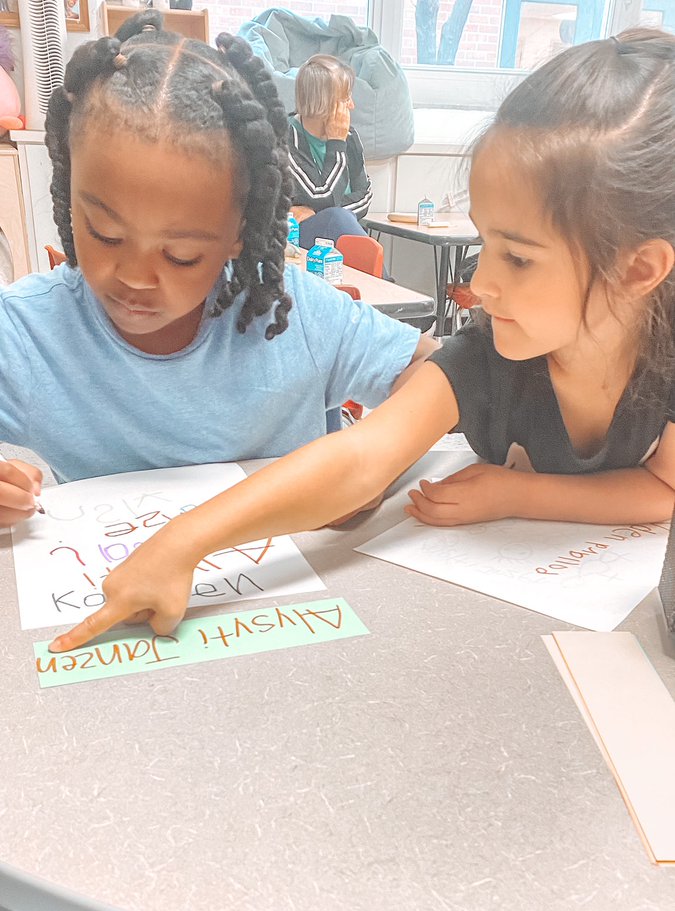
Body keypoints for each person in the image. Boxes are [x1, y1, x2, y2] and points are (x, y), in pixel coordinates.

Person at [52, 28, 675, 654]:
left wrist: (524, 493)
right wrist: (180, 543)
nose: (479, 283)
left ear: (637, 270)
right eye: (485, 243)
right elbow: (358, 458)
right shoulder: (488, 360)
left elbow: (664, 491)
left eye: (516, 258)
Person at [0, 13, 434, 524]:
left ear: (238, 234)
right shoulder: (29, 333)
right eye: (106, 235)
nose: (136, 278)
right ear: (68, 195)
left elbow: (437, 370)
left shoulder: (294, 316)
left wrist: (368, 458)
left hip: (290, 590)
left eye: (181, 255)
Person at [287, 54, 372, 250]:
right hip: (297, 242)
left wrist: (317, 212)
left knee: (337, 216)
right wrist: (336, 144)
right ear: (323, 103)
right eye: (345, 98)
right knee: (336, 217)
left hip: (339, 240)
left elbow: (364, 196)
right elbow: (320, 196)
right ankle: (385, 281)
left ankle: (383, 281)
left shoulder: (349, 137)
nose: (352, 105)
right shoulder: (286, 138)